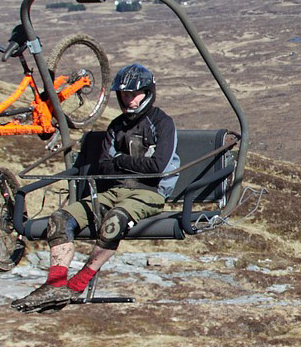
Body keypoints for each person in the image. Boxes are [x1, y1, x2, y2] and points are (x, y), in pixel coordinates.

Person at [12, 63, 178, 311]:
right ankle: (55, 285)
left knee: (114, 222)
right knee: (60, 219)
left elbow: (157, 166)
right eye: (124, 95)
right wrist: (128, 164)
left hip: (148, 193)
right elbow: (104, 166)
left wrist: (120, 161)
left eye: (134, 95)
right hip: (112, 192)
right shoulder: (116, 126)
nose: (129, 100)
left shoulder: (162, 123)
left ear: (147, 93)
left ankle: (77, 284)